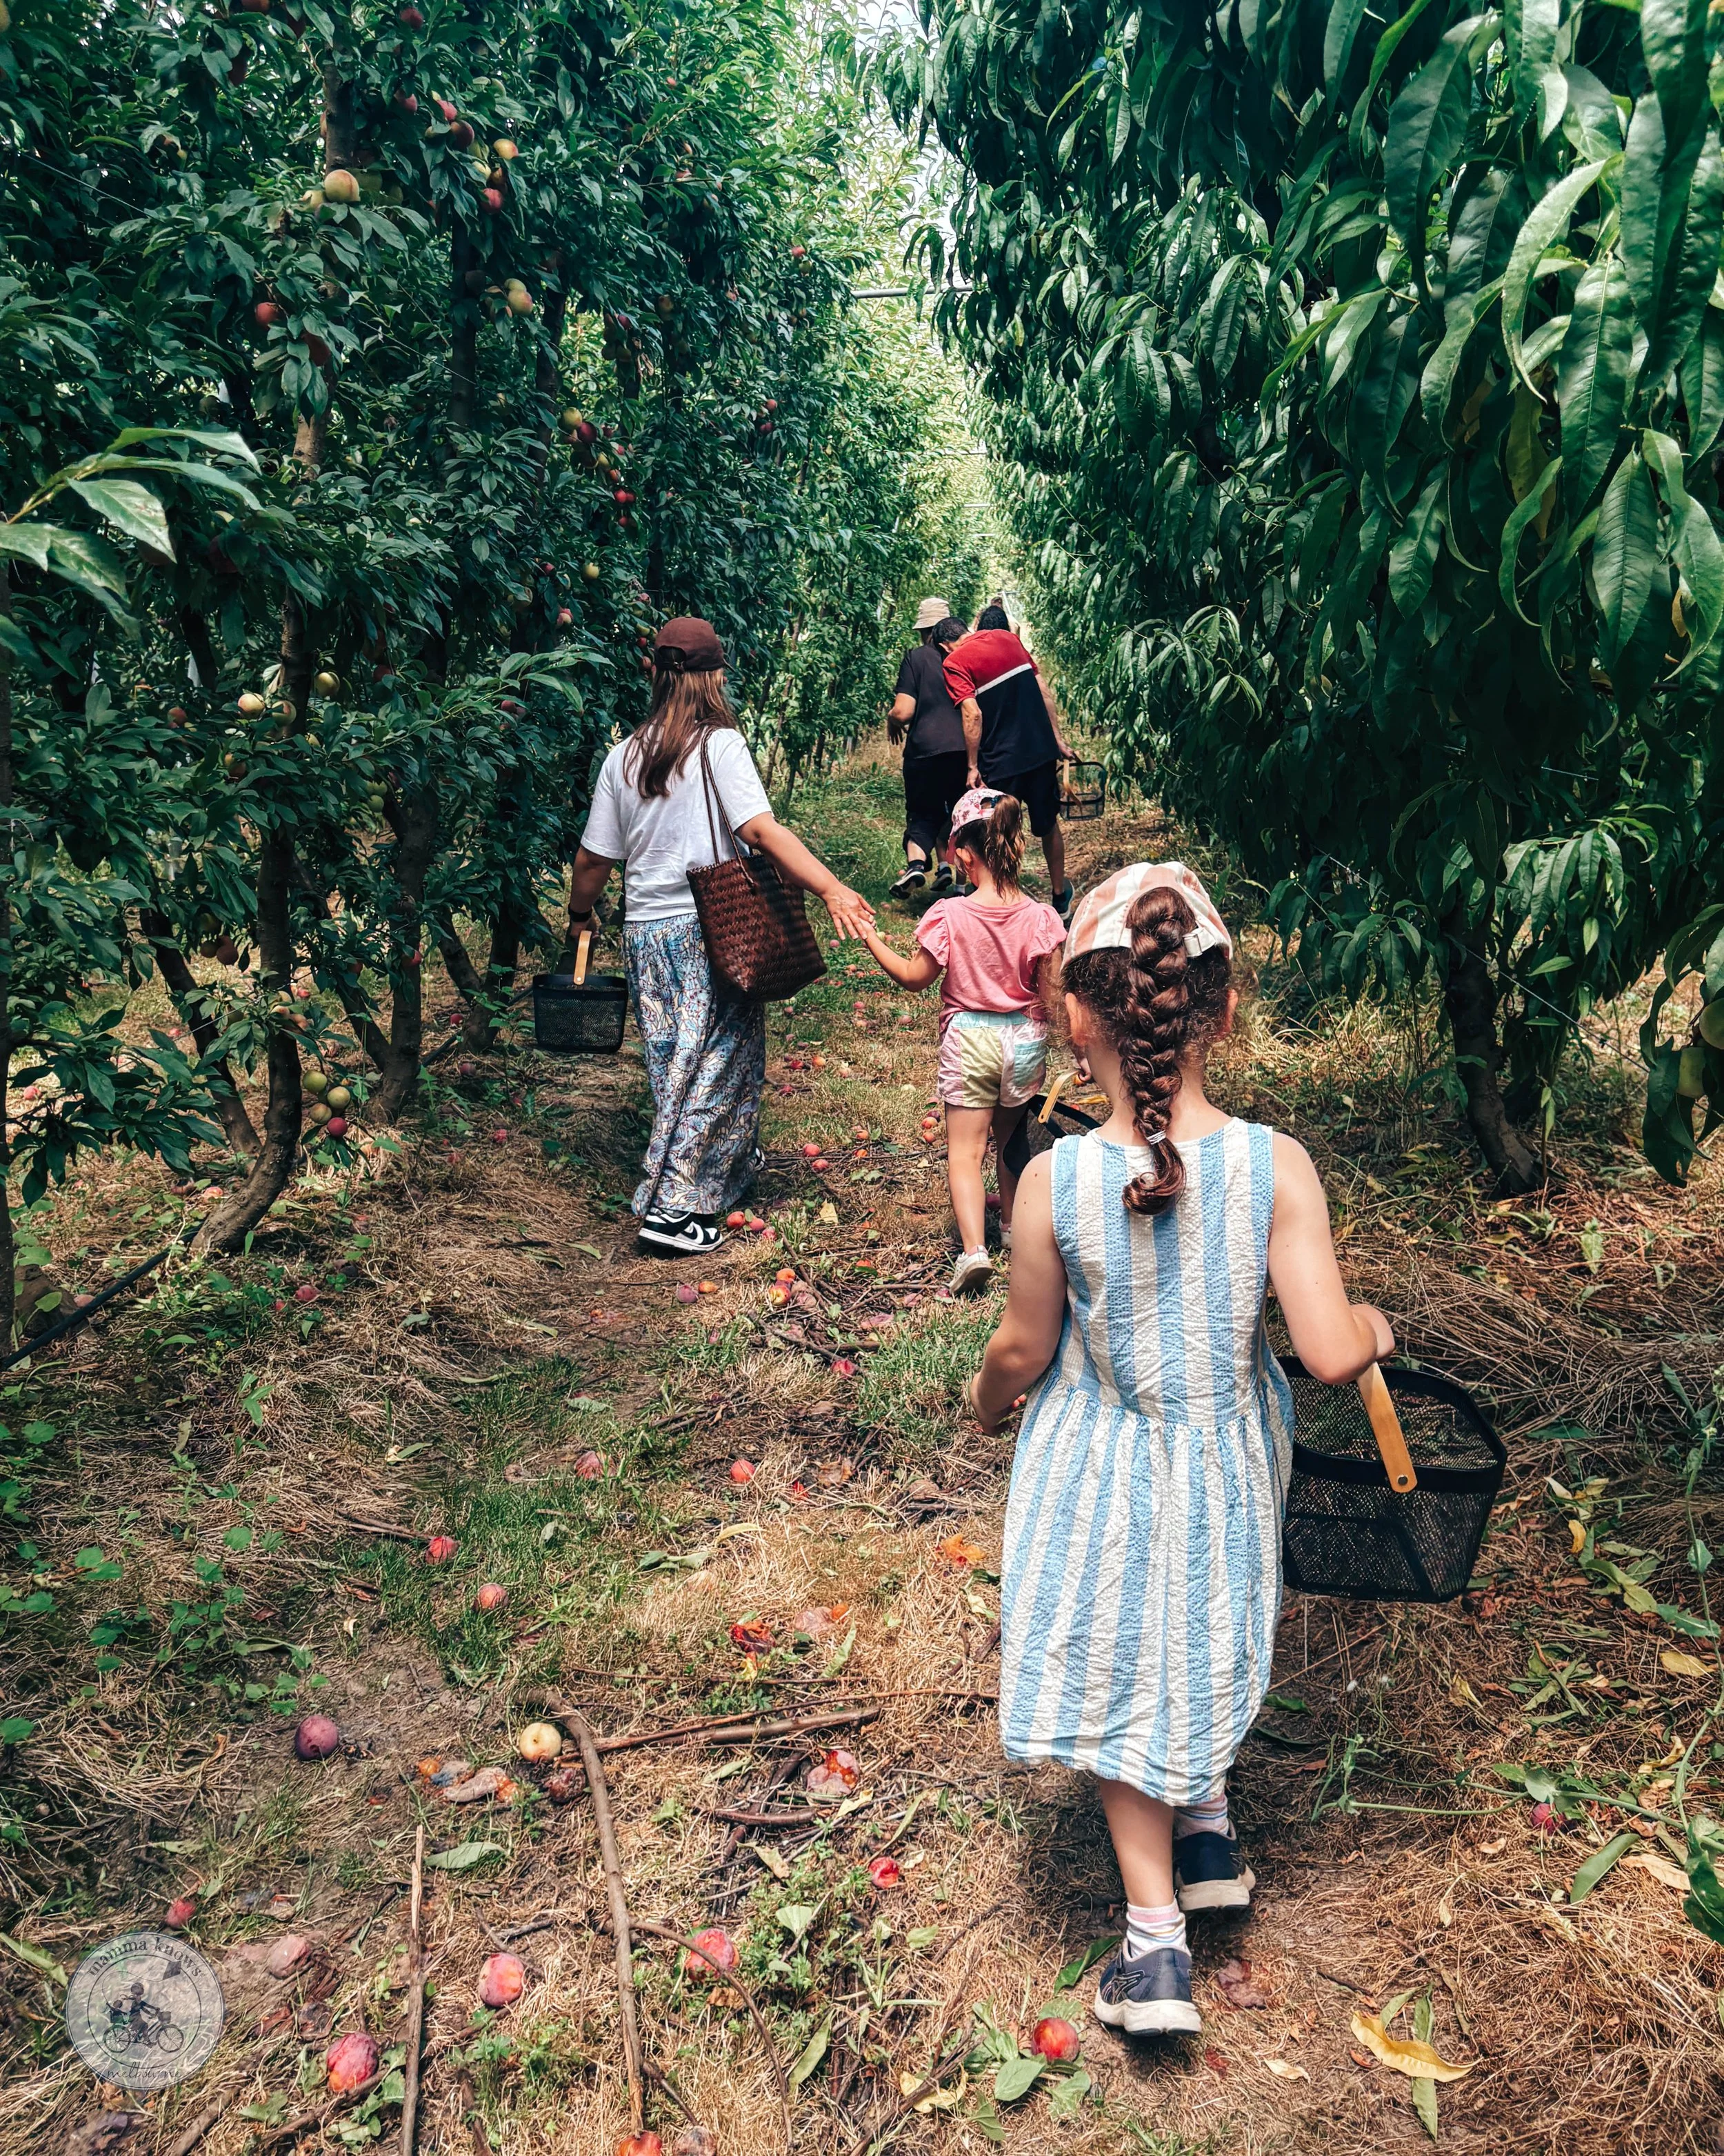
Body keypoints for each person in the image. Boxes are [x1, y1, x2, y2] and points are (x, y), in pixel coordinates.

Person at [965, 863, 1395, 2035]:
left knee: (1120, 1651)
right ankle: (1204, 1829)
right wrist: (1375, 1327)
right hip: (1224, 1459)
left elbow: (1022, 1343)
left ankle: (1155, 1946)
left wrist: (986, 1403)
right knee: (1196, 1621)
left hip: (1101, 1459)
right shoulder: (1275, 1167)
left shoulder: (1056, 1181)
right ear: (1227, 1011)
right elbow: (1324, 1346)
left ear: (1074, 1019)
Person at [566, 615, 874, 1257]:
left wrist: (579, 916)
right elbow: (760, 831)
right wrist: (830, 888)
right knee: (720, 1063)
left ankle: (723, 1172)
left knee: (674, 1064)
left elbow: (594, 859)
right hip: (712, 925)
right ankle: (677, 1207)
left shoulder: (622, 757)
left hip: (647, 933)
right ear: (714, 677)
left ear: (654, 673)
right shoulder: (720, 747)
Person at [858, 788, 1066, 1295]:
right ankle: (1017, 1235)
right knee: (1011, 1139)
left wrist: (871, 937)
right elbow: (1055, 995)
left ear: (965, 855)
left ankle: (974, 1252)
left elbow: (914, 977)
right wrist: (1080, 1049)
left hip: (971, 1038)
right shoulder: (1042, 917)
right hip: (1024, 1040)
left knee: (965, 1154)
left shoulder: (950, 915)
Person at [942, 604, 1076, 918]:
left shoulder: (955, 662)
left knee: (1000, 831)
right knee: (1048, 826)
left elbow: (972, 713)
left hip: (1001, 761)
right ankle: (1059, 897)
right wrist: (1057, 739)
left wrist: (973, 766)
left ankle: (1005, 903)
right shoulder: (1012, 642)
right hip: (1041, 752)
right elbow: (1044, 692)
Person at [886, 600, 970, 901]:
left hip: (924, 751)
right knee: (960, 814)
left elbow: (903, 712)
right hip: (963, 750)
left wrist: (891, 719)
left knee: (922, 813)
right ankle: (961, 886)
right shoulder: (967, 658)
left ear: (925, 631)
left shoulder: (916, 658)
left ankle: (917, 864)